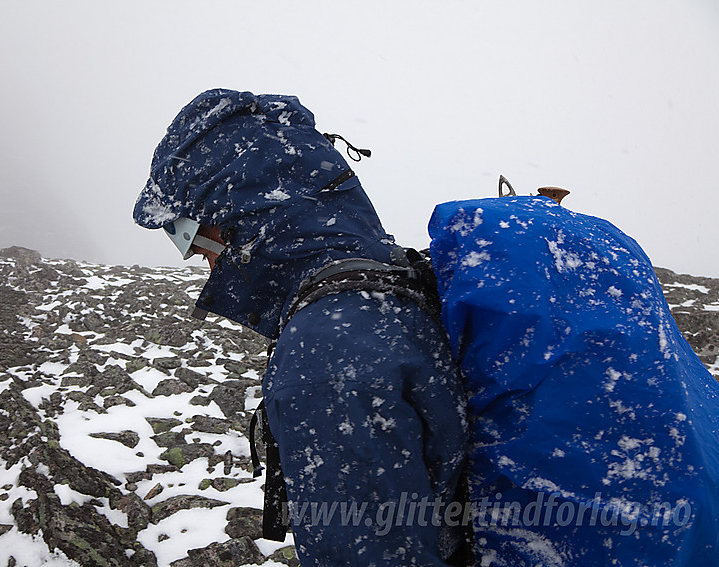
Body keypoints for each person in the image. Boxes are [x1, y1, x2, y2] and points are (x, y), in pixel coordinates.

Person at [134, 89, 468, 565]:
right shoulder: (400, 285)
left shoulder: (325, 352)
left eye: (187, 234)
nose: (197, 259)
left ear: (237, 217)